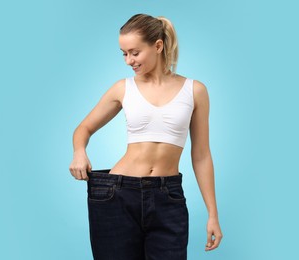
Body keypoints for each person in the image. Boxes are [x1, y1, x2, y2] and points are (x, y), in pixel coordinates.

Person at [69, 13, 223, 260]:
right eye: (124, 53)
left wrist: (212, 214)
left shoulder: (195, 91)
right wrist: (79, 152)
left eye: (134, 52)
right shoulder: (123, 88)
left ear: (158, 46)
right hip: (117, 194)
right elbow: (82, 130)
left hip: (168, 196)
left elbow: (201, 155)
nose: (128, 60)